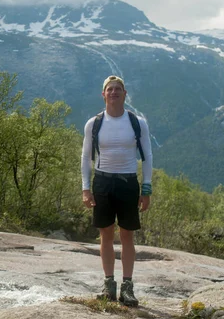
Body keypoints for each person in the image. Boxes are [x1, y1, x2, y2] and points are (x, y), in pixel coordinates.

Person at [81, 75, 153, 307]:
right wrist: (85, 188)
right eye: (109, 89)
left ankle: (128, 287)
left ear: (124, 94)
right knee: (106, 235)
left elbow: (147, 156)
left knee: (127, 235)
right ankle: (108, 285)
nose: (113, 92)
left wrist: (147, 187)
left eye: (118, 89)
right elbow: (85, 157)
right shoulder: (94, 123)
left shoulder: (137, 122)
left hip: (128, 183)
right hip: (102, 182)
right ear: (103, 94)